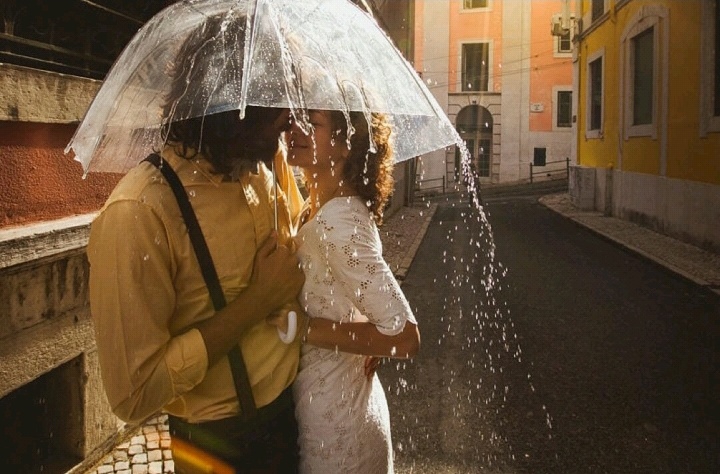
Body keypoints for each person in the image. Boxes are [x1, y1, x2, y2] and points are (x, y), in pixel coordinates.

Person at [86, 14, 307, 473]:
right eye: (274, 99)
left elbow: (302, 256)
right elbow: (133, 393)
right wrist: (258, 300)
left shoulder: (265, 163)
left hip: (296, 410)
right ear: (231, 107)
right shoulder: (140, 211)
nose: (290, 115)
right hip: (218, 443)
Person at [269, 109, 421, 473]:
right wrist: (364, 333)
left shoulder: (338, 221)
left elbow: (404, 336)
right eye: (296, 118)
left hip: (339, 431)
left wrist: (304, 328)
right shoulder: (317, 206)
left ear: (346, 144)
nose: (295, 129)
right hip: (331, 405)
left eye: (312, 123)